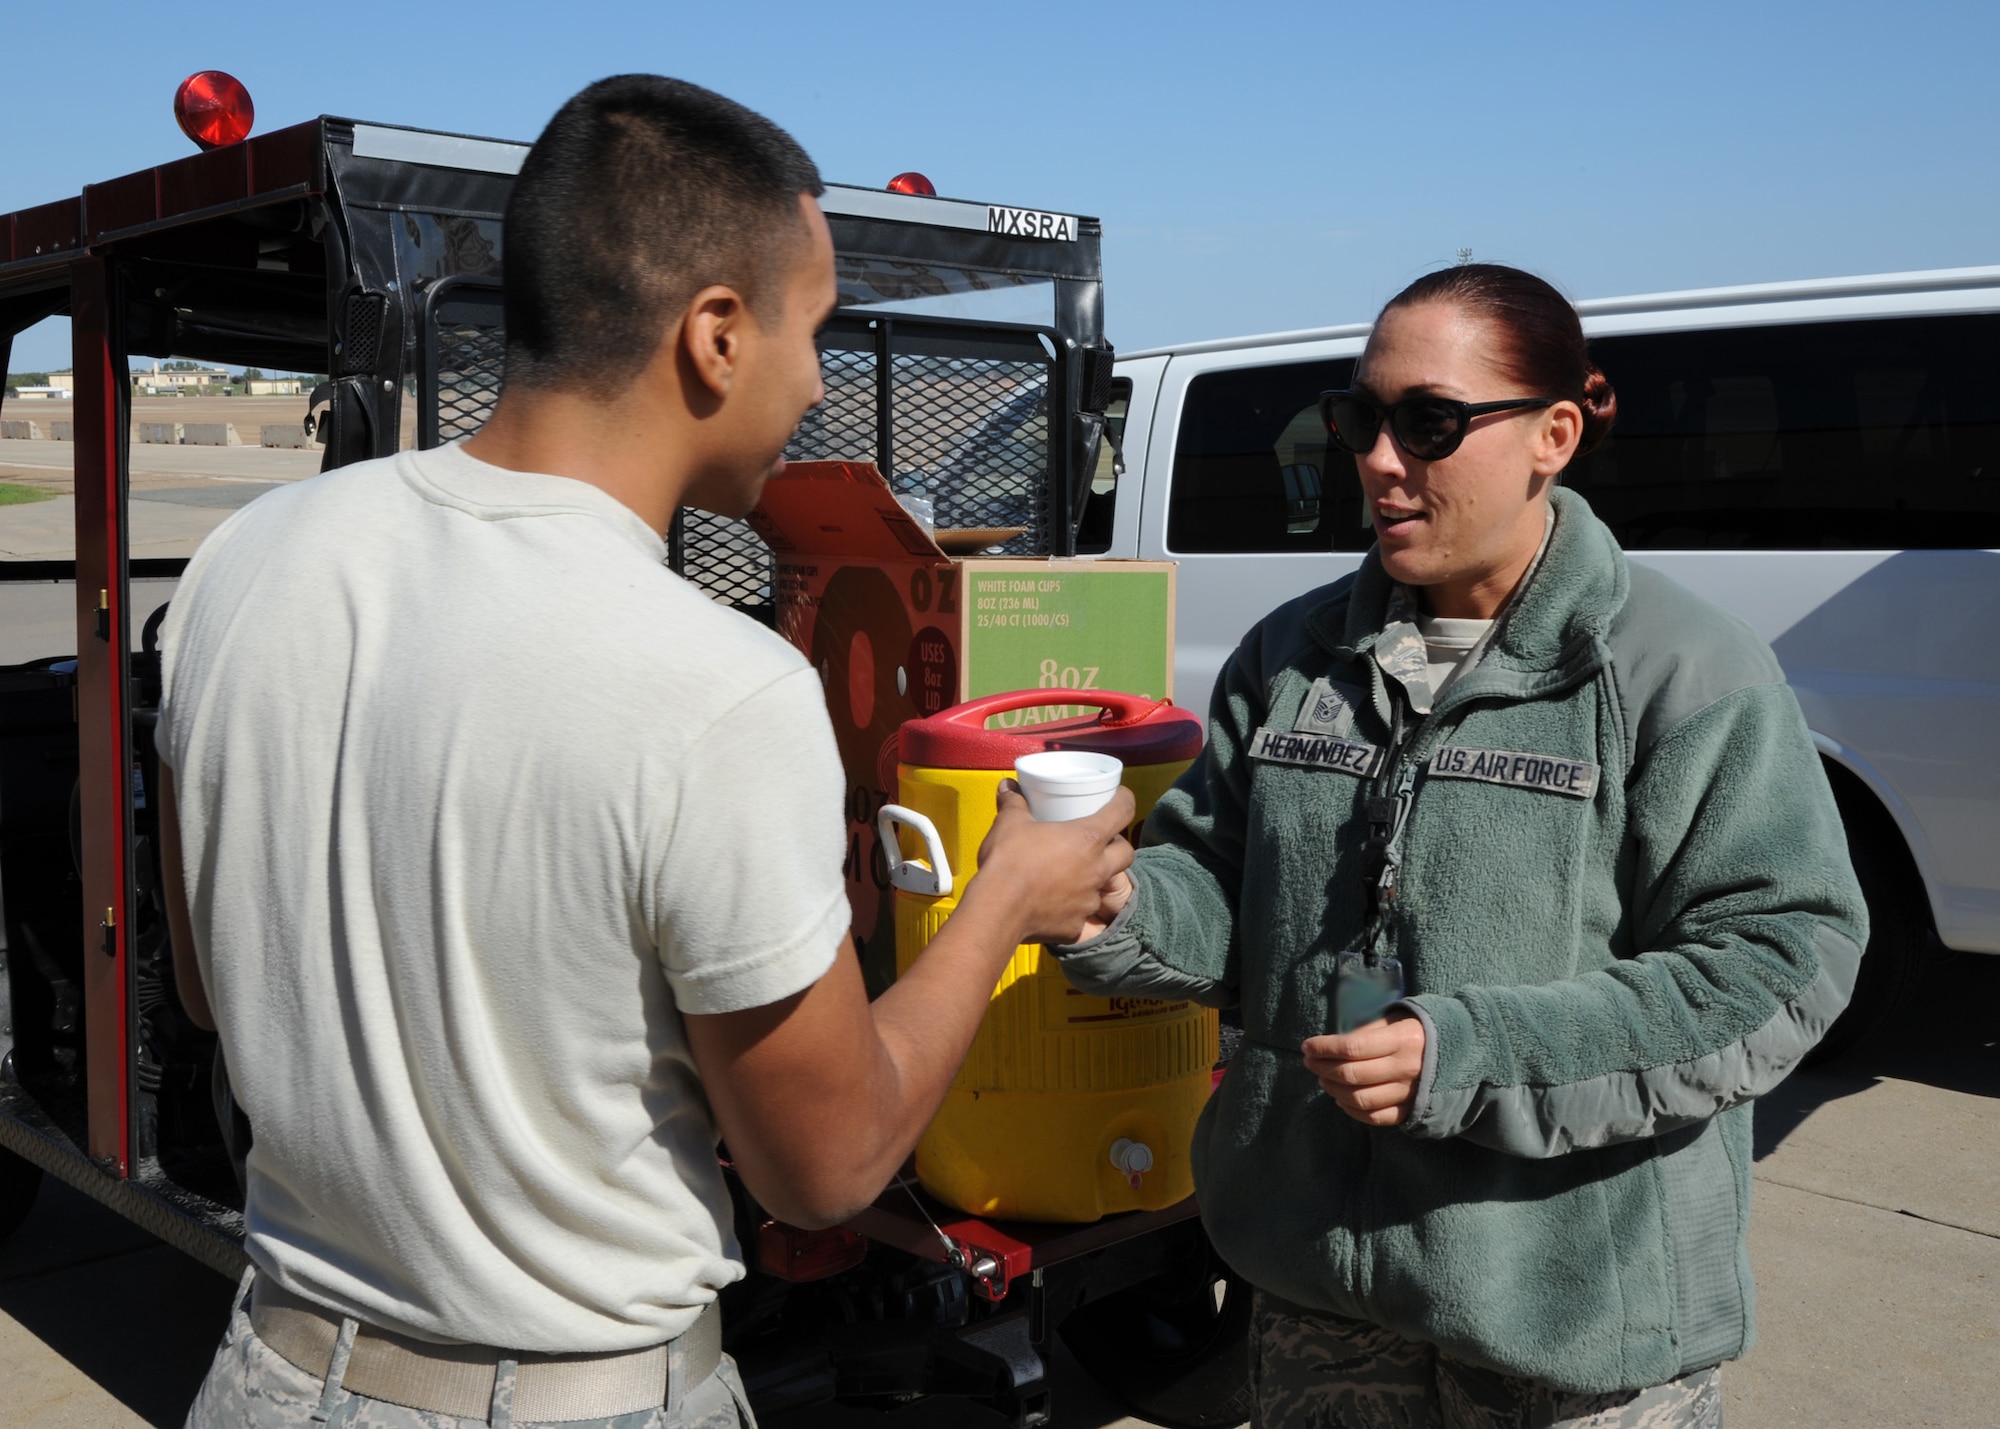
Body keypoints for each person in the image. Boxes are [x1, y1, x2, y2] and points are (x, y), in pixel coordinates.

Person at [157, 75, 1133, 1429]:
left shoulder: (245, 560)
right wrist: (1004, 902)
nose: (816, 378)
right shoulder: (719, 686)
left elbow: (212, 989)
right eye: (817, 329)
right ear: (718, 335)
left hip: (267, 1371)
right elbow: (827, 1165)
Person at [1053, 264, 1868, 1429]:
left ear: (1552, 435)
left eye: (1428, 423)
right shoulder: (1289, 658)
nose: (1379, 460)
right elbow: (1218, 891)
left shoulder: (1679, 671)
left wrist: (1470, 1052)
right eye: (1358, 419)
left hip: (1572, 1329)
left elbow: (1776, 964)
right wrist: (1115, 909)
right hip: (1316, 1293)